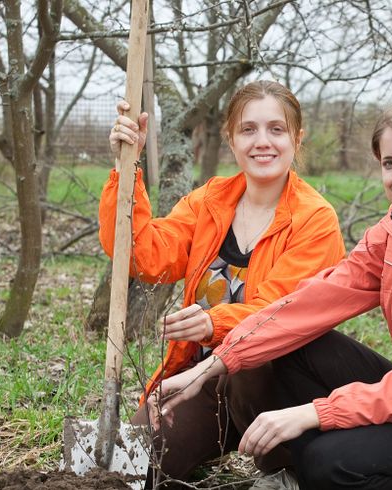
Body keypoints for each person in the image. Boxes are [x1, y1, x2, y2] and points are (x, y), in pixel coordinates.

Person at [156, 96, 392, 489]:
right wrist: (219, 360)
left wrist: (315, 413)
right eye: (390, 163)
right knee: (288, 350)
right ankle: (316, 465)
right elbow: (316, 301)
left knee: (330, 463)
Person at [100, 80, 346, 485]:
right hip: (198, 379)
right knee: (127, 470)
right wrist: (127, 167)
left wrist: (214, 324)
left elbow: (279, 313)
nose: (262, 142)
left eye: (276, 129)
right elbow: (144, 255)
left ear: (296, 139)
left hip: (270, 386)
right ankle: (202, 439)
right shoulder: (211, 201)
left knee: (258, 362)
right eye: (248, 130)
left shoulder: (314, 220)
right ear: (231, 139)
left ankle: (290, 469)